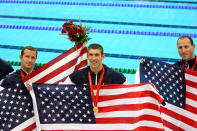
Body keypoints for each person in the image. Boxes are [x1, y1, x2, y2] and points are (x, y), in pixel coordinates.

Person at [63, 43, 130, 85]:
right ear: (87, 56)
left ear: (103, 56)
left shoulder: (114, 75)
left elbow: (131, 91)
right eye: (91, 55)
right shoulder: (79, 75)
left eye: (97, 55)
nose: (93, 58)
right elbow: (62, 90)